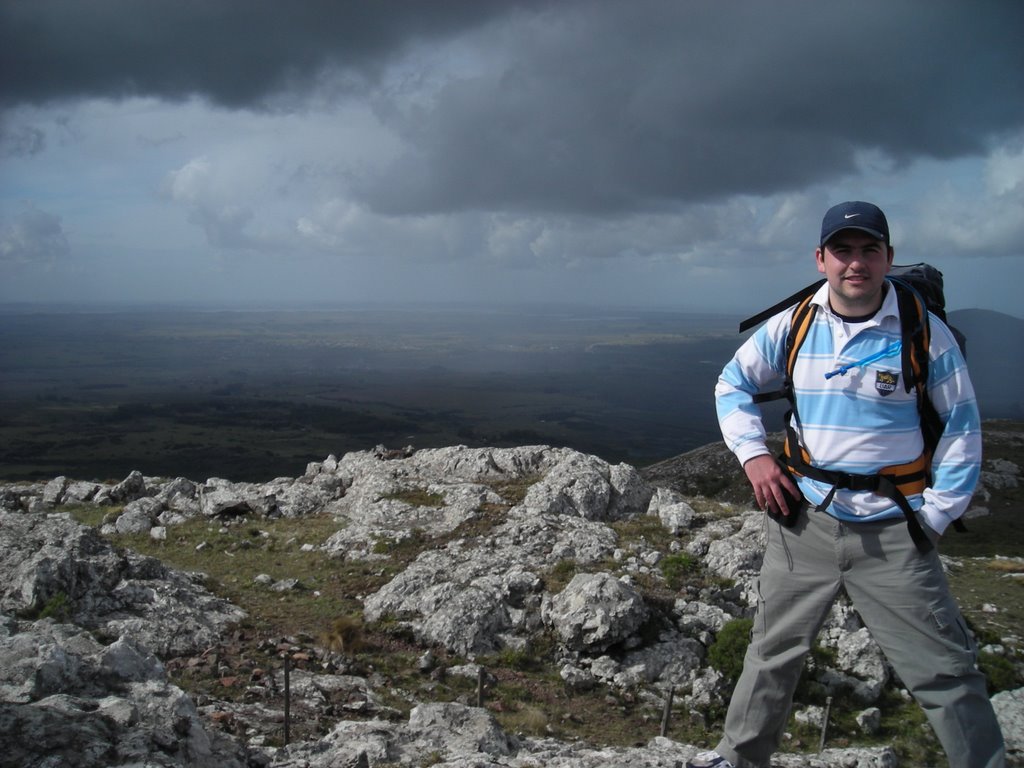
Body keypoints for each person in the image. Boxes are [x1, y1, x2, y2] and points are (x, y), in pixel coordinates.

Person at [689, 201, 1005, 768]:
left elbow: (961, 428)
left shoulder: (923, 332)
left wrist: (934, 516)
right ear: (820, 258)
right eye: (843, 250)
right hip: (804, 522)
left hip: (895, 530)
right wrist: (754, 457)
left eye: (868, 250)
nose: (854, 263)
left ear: (887, 257)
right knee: (771, 654)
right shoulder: (794, 324)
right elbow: (731, 383)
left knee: (944, 670)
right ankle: (737, 758)